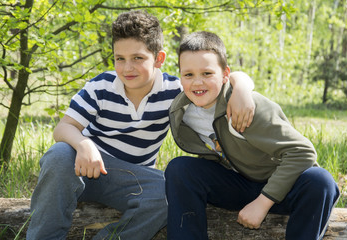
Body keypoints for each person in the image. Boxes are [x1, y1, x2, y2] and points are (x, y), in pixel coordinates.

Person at [26, 11, 255, 240]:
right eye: (120, 58)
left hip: (131, 180)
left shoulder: (174, 92)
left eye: (138, 58)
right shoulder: (101, 87)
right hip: (84, 167)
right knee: (58, 154)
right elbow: (63, 128)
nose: (127, 68)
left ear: (159, 59)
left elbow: (226, 75)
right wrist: (84, 144)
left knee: (168, 194)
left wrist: (243, 88)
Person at [165, 31, 340, 240]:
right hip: (238, 184)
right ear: (180, 76)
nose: (197, 83)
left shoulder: (247, 106)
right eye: (189, 75)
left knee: (321, 181)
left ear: (224, 75)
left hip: (282, 188)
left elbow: (303, 152)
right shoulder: (182, 113)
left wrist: (262, 203)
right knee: (179, 169)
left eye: (207, 73)